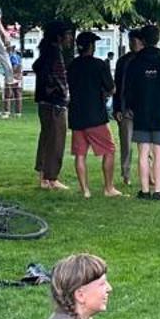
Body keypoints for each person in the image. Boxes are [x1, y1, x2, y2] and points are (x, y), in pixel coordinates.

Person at [117, 24, 160, 200]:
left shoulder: (134, 62)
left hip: (140, 112)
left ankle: (145, 190)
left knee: (143, 152)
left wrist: (129, 107)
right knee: (159, 152)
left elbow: (128, 88)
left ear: (143, 40)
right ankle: (158, 190)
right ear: (158, 39)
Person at [68, 31, 121, 199]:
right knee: (109, 150)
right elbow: (111, 88)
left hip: (76, 115)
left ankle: (85, 190)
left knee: (80, 154)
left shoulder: (72, 65)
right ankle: (108, 187)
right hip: (96, 115)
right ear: (91, 46)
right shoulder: (99, 65)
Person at [31, 21, 72, 192]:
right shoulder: (55, 54)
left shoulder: (45, 53)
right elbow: (59, 78)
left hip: (44, 102)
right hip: (55, 103)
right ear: (59, 37)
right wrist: (65, 96)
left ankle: (43, 176)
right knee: (56, 140)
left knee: (46, 137)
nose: (70, 38)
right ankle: (51, 177)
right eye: (68, 34)